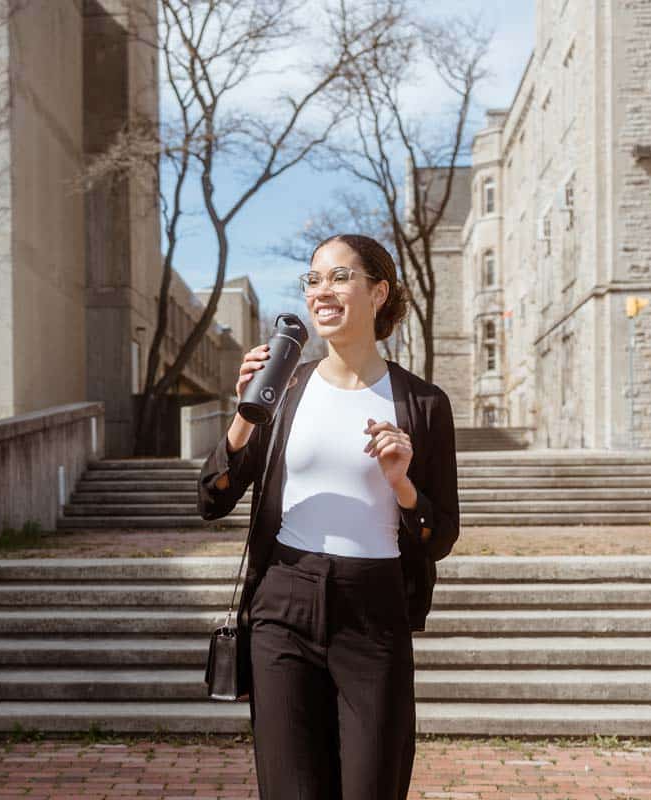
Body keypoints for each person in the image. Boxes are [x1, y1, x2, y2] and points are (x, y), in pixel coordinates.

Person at [197, 233, 460, 800]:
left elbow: (440, 536)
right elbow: (212, 498)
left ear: (378, 291)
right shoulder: (284, 389)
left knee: (374, 785)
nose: (322, 291)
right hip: (283, 605)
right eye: (313, 279)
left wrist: (401, 484)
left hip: (374, 610)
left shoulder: (423, 404)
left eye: (340, 276)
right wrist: (246, 412)